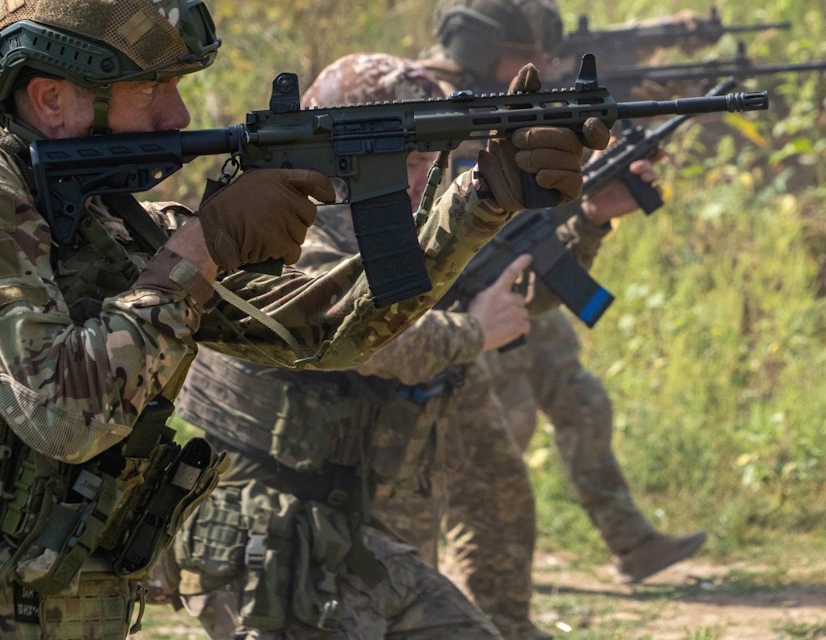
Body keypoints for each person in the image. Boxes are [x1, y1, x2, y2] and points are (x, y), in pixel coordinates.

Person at [0, 0, 578, 640]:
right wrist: (204, 245)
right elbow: (64, 413)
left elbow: (322, 328)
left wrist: (479, 202)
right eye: (152, 89)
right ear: (52, 99)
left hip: (24, 603)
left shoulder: (102, 218)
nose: (179, 115)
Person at [158, 52, 608, 639]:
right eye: (408, 162)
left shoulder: (401, 227)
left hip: (370, 525)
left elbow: (509, 293)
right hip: (276, 534)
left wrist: (590, 220)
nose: (423, 180)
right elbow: (358, 333)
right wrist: (472, 330)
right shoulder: (289, 232)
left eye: (430, 161)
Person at [408, 0, 706, 639]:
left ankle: (621, 546)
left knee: (568, 409)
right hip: (448, 317)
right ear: (479, 43)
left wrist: (591, 211)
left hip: (521, 280)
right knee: (484, 468)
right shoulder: (418, 101)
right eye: (524, 51)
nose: (537, 62)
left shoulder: (507, 95)